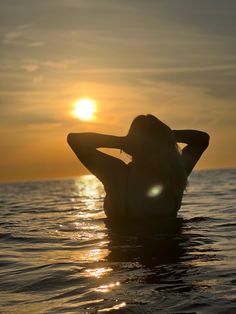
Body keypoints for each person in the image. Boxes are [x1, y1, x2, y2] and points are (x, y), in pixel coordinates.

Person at [67, 114, 209, 219]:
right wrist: (125, 142)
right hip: (156, 254)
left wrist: (164, 135)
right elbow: (74, 140)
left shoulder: (173, 172)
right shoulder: (116, 173)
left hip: (162, 253)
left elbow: (202, 140)